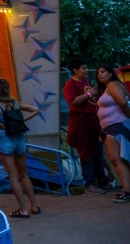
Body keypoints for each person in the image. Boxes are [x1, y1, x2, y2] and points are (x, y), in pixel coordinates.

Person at [0, 78, 41, 218]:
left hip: (5, 138)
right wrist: (22, 121)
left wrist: (1, 125)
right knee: (24, 174)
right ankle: (34, 206)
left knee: (13, 176)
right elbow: (36, 110)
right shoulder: (15, 103)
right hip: (20, 137)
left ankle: (23, 210)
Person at [63, 58, 113, 193]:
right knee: (86, 153)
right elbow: (72, 101)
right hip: (81, 123)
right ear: (75, 70)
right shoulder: (70, 84)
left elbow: (90, 99)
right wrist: (90, 93)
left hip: (93, 122)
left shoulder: (85, 81)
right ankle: (89, 184)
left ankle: (102, 181)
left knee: (97, 152)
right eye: (83, 68)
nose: (86, 71)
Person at [96, 64, 130, 204]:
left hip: (118, 126)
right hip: (110, 128)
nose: (100, 74)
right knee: (118, 159)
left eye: (103, 72)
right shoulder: (107, 88)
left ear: (111, 73)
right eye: (98, 73)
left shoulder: (113, 85)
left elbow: (122, 102)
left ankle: (127, 191)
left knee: (119, 158)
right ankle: (127, 190)